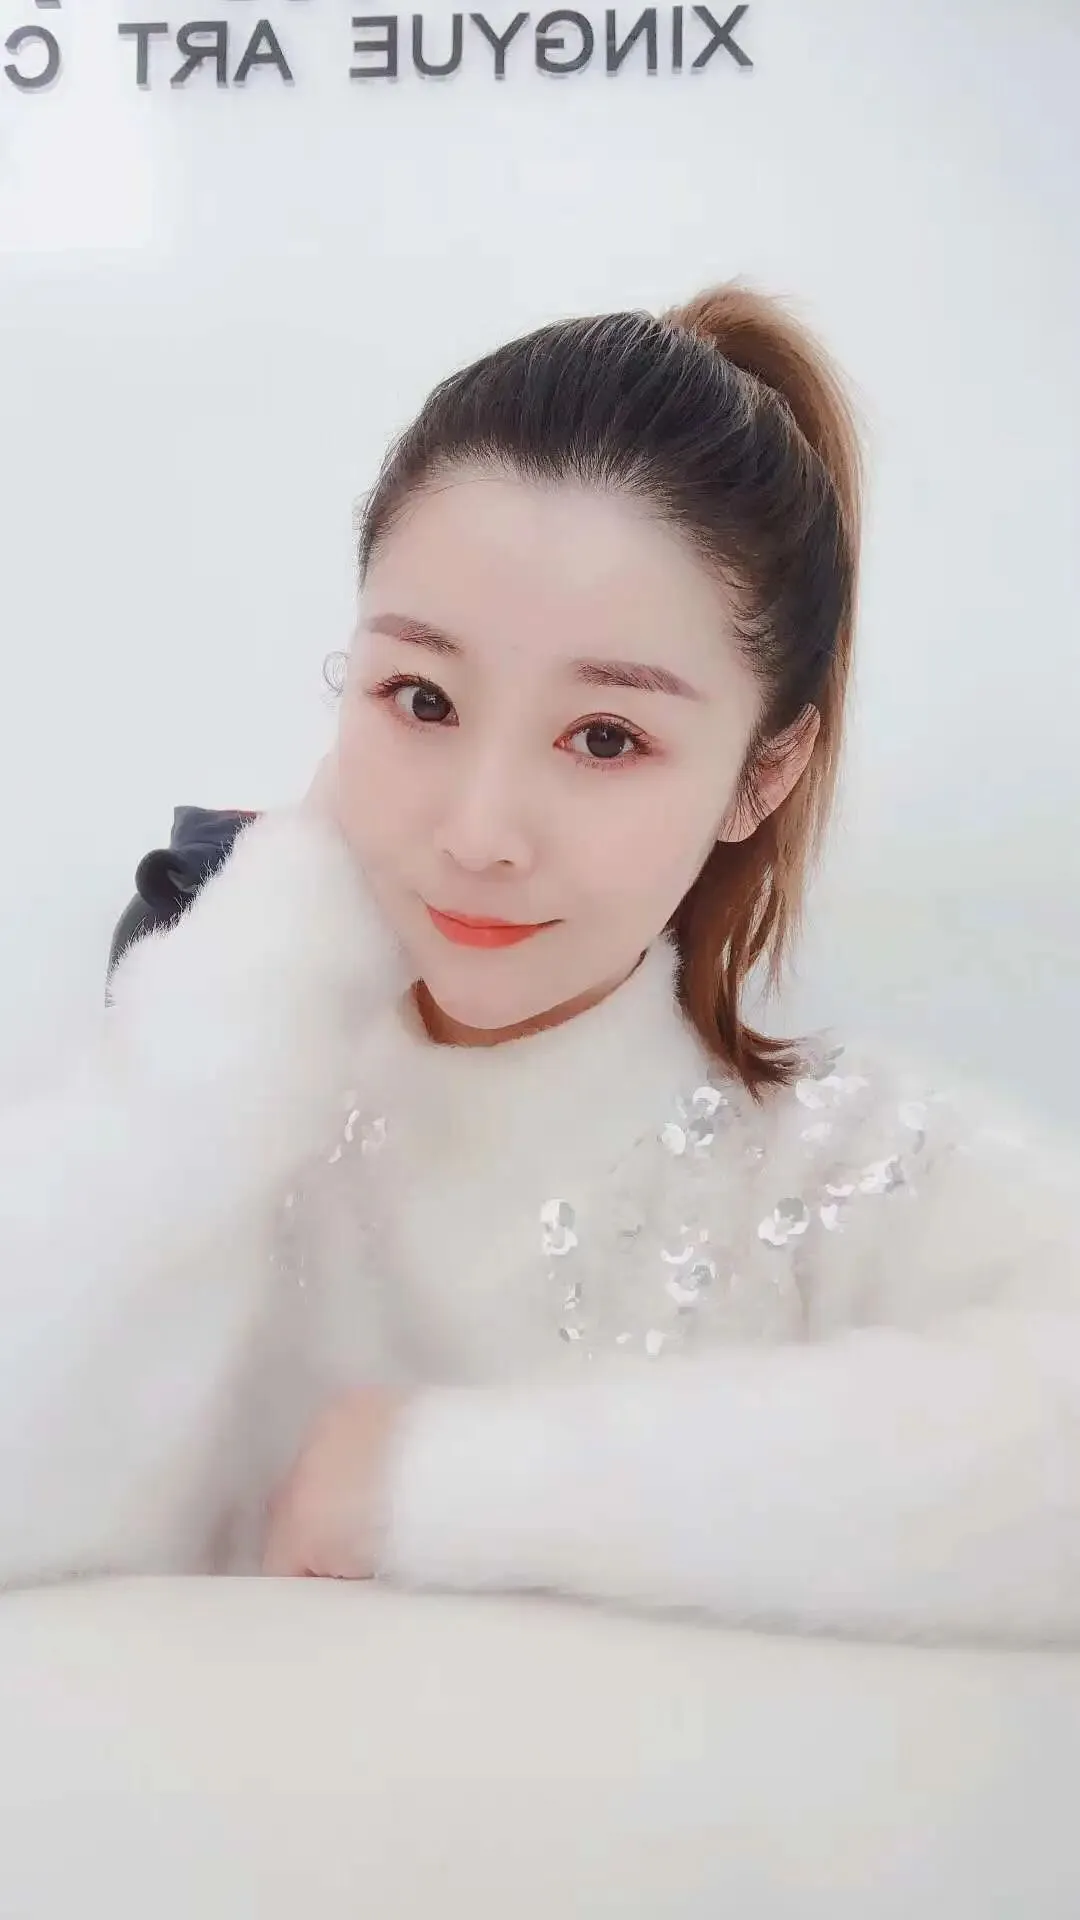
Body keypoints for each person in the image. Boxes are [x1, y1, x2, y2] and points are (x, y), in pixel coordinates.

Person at [2, 284, 1078, 1641]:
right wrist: (261, 966)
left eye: (606, 738)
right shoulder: (219, 1087)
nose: (479, 833)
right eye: (422, 699)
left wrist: (433, 1489)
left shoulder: (831, 1175)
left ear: (765, 771)